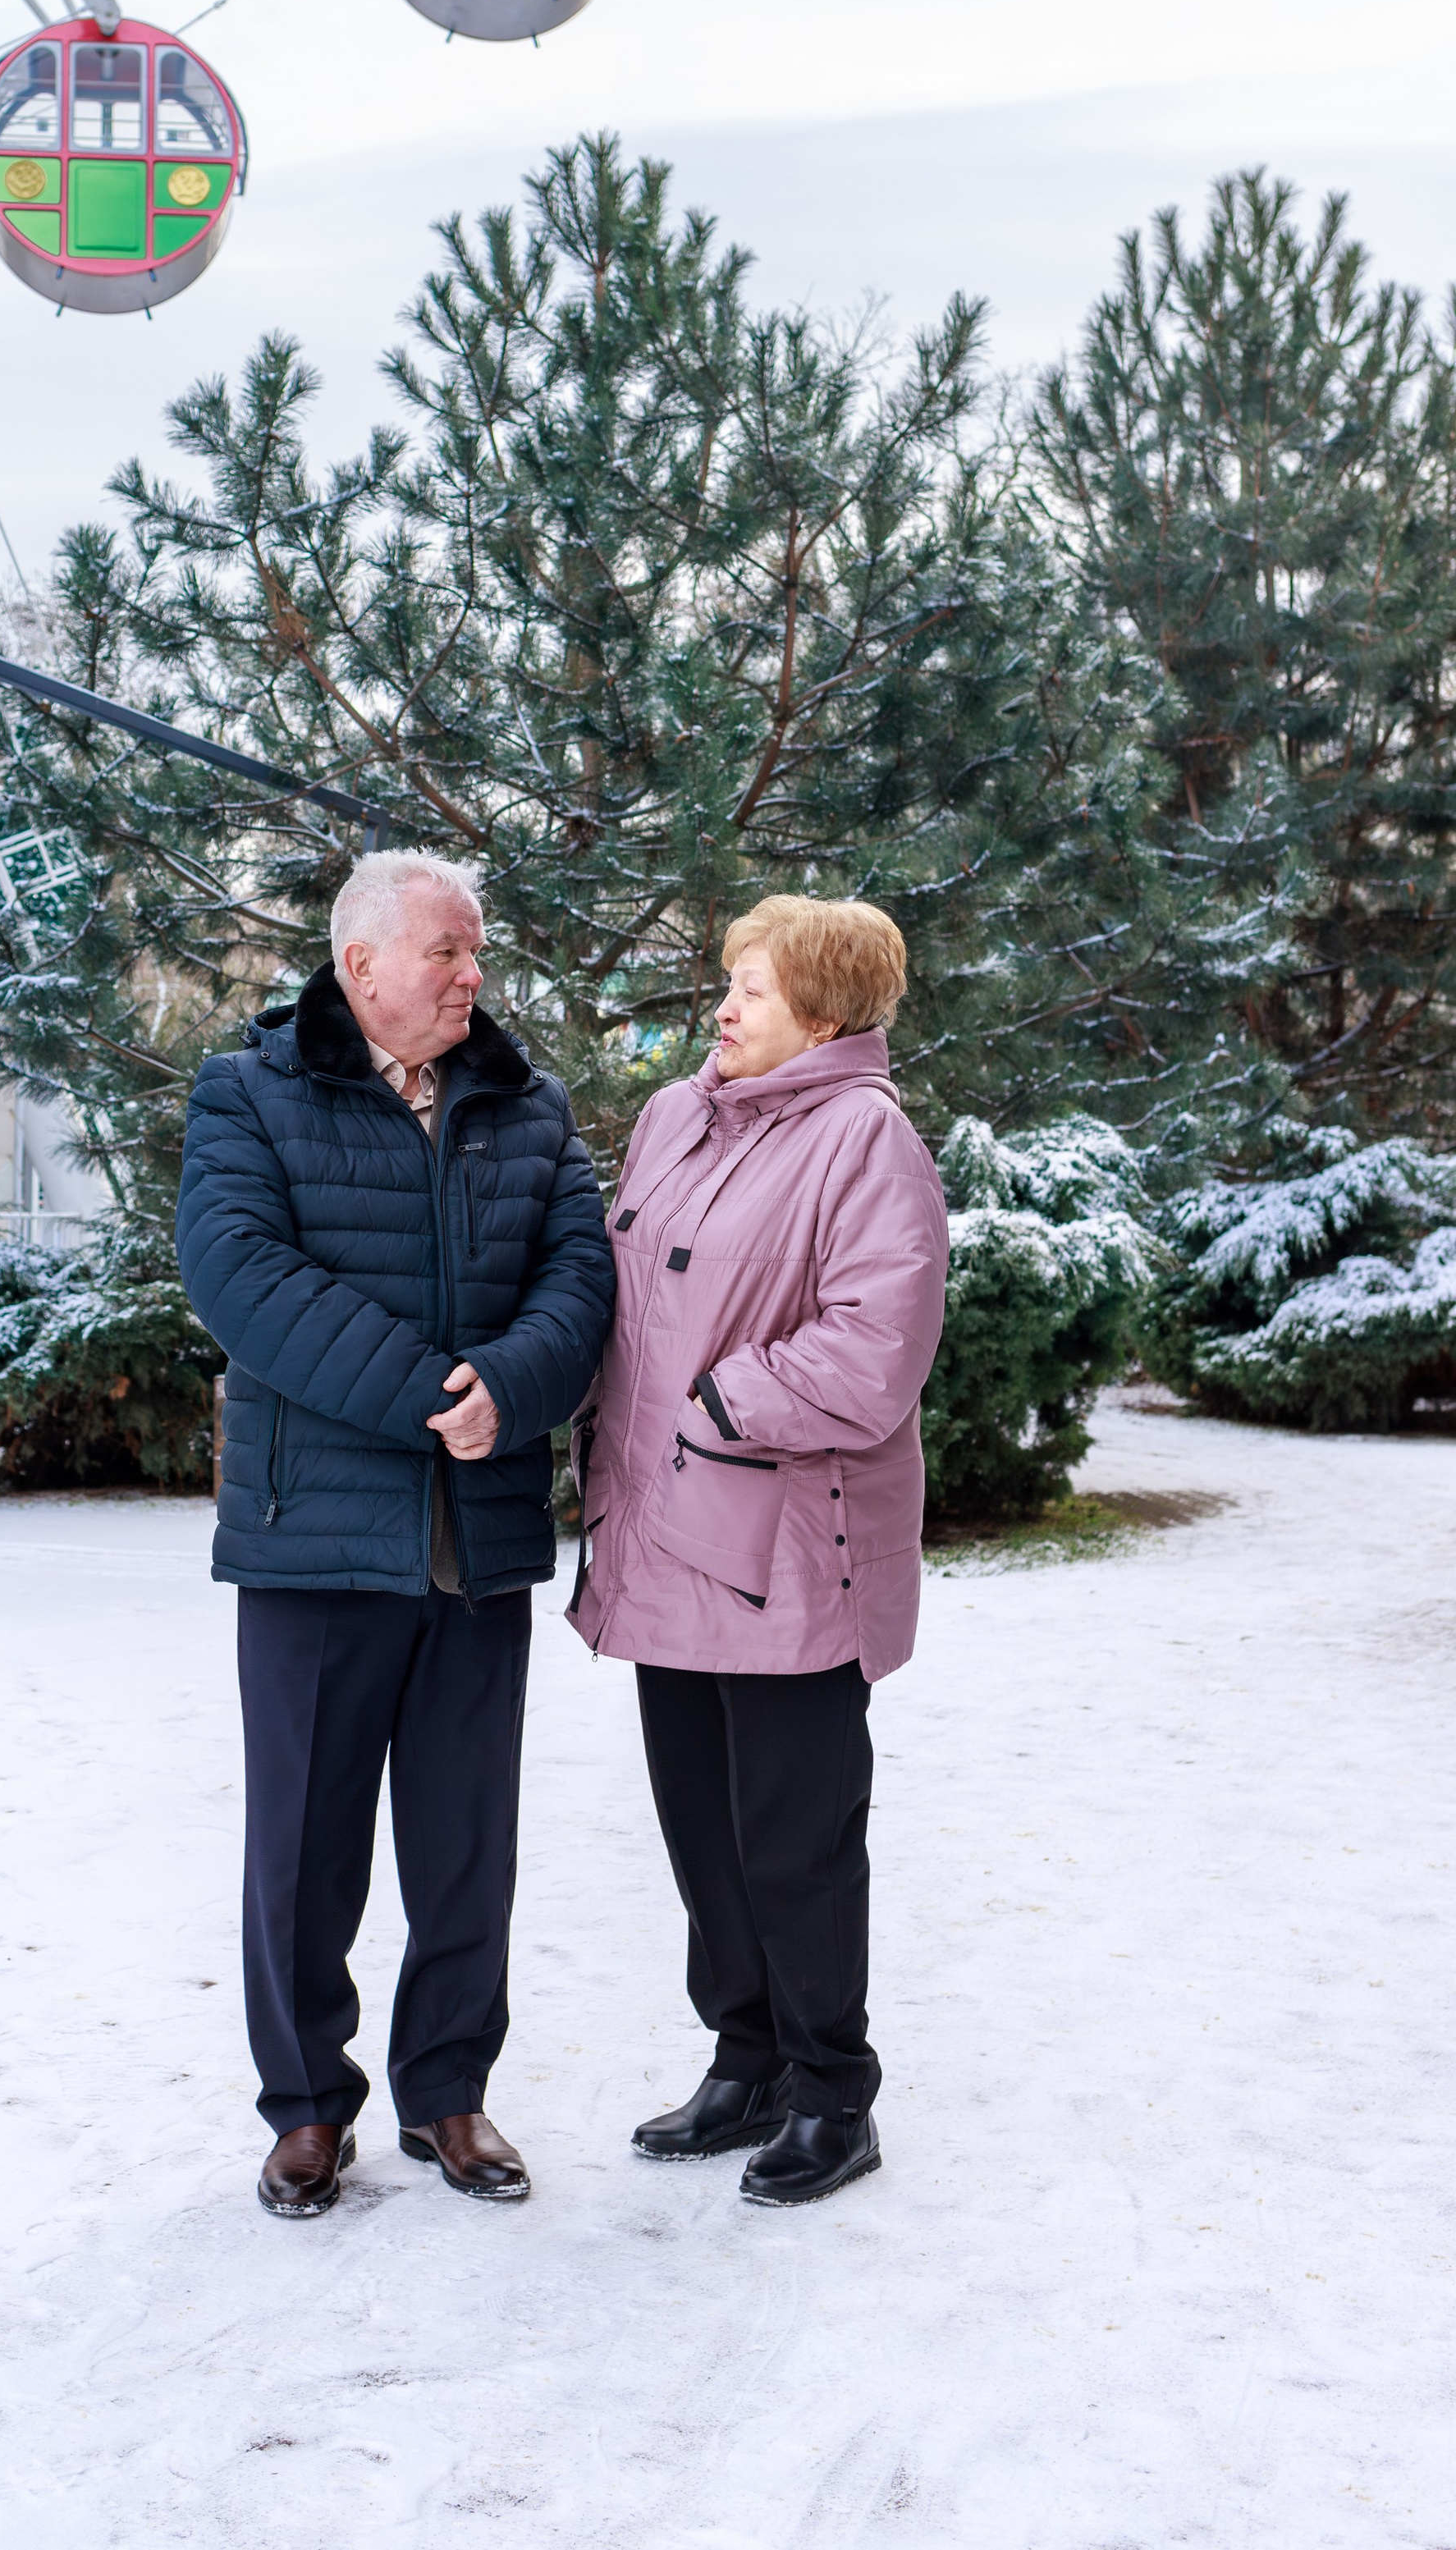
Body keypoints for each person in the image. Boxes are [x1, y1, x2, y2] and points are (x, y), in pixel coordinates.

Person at [177, 850, 616, 2221]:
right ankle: (307, 2106)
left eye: (476, 951)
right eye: (446, 951)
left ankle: (448, 2090)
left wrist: (516, 1385)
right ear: (360, 963)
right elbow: (240, 1275)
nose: (472, 974)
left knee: (467, 1839)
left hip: (476, 1543)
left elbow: (582, 1277)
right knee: (303, 1846)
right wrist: (439, 1394)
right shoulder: (248, 1092)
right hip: (313, 1538)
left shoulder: (529, 1106)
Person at [570, 895, 948, 2207]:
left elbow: (876, 1348)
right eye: (726, 982)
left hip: (784, 1545)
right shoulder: (675, 1117)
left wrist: (723, 1400)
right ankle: (747, 2058)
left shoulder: (867, 1138)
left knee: (795, 1838)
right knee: (703, 1831)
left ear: (826, 1015)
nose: (723, 1009)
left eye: (755, 989)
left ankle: (834, 2092)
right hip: (657, 1526)